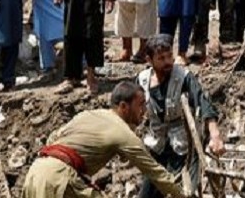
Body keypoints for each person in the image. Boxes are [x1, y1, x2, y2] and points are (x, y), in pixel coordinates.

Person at [21, 81, 185, 198]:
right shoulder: (122, 132)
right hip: (58, 179)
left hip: (36, 173)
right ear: (123, 107)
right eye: (140, 105)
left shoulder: (87, 115)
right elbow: (155, 172)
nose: (144, 111)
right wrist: (181, 195)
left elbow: (53, 138)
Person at [137, 35, 223, 198]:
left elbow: (203, 103)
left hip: (184, 146)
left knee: (185, 192)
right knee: (148, 194)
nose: (167, 61)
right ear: (149, 60)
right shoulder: (142, 80)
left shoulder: (184, 77)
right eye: (161, 58)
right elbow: (132, 111)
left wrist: (215, 135)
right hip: (157, 145)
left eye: (169, 56)